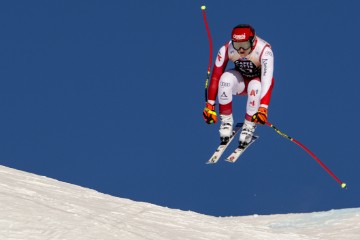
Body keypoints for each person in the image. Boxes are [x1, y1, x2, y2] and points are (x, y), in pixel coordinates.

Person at [203, 24, 274, 146]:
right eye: (237, 45)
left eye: (245, 45)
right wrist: (210, 105)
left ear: (252, 41)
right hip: (240, 82)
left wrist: (263, 108)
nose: (240, 50)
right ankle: (226, 121)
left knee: (255, 86)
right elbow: (215, 76)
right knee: (225, 79)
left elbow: (268, 79)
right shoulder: (226, 49)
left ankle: (248, 126)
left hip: (257, 85)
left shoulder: (264, 51)